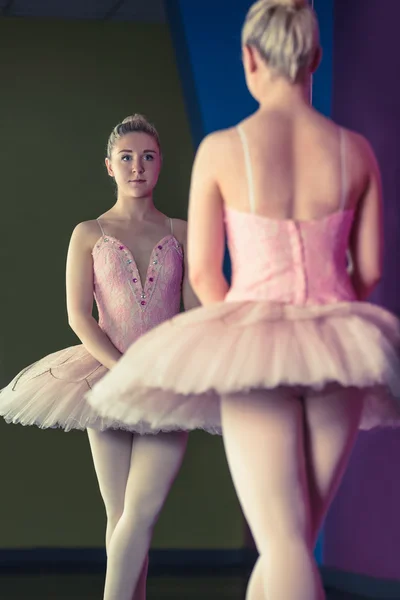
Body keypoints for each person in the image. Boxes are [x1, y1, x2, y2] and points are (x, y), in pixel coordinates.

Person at [86, 1, 400, 599]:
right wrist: (329, 320)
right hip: (338, 347)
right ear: (316, 57)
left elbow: (204, 273)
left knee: (281, 543)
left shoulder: (224, 150)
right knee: (294, 541)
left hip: (255, 349)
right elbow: (371, 269)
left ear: (250, 58)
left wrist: (242, 334)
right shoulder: (354, 151)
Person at [0, 114, 199, 600]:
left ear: (160, 165)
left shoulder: (182, 231)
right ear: (109, 166)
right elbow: (78, 316)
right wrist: (122, 368)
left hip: (165, 384)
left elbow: (194, 314)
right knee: (121, 517)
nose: (137, 167)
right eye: (127, 157)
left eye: (148, 157)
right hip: (105, 380)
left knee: (140, 514)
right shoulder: (88, 233)